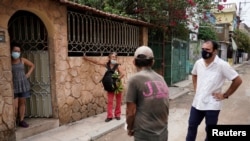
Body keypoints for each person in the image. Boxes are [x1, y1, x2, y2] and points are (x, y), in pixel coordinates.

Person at [186, 40, 242, 141]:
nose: (204, 51)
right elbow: (194, 74)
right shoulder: (198, 63)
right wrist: (196, 88)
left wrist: (225, 95)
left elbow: (237, 80)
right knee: (191, 127)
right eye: (203, 49)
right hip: (197, 103)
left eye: (207, 49)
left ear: (215, 51)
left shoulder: (222, 65)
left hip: (212, 104)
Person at [126, 46, 170, 141]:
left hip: (144, 134)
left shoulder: (134, 80)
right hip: (163, 132)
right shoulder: (161, 78)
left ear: (134, 62)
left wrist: (130, 127)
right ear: (152, 62)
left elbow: (130, 112)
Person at [84, 52, 125, 122]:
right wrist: (87, 58)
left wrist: (117, 79)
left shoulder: (118, 66)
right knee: (110, 101)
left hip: (117, 85)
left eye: (115, 57)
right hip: (110, 85)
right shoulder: (107, 65)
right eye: (112, 57)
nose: (114, 58)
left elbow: (123, 74)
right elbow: (97, 62)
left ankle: (117, 115)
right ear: (109, 58)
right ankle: (109, 116)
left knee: (118, 100)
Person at [11, 43, 35, 128]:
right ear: (11, 51)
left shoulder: (22, 60)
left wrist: (28, 74)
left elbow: (32, 65)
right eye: (15, 51)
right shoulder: (9, 62)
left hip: (23, 84)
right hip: (13, 86)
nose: (16, 53)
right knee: (15, 106)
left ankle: (21, 120)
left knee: (22, 103)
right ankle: (13, 122)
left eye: (18, 51)